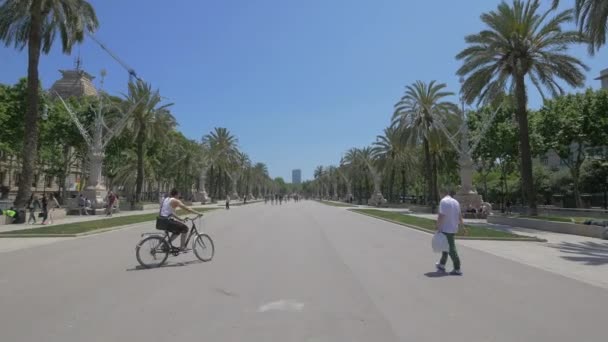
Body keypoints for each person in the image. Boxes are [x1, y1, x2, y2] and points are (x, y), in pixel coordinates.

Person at [435, 189, 468, 275]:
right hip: (453, 228)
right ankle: (442, 264)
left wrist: (438, 227)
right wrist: (462, 227)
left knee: (451, 248)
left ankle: (457, 268)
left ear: (442, 193)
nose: (439, 196)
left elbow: (441, 215)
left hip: (446, 228)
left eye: (439, 194)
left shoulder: (443, 201)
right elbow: (460, 216)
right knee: (445, 246)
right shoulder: (456, 202)